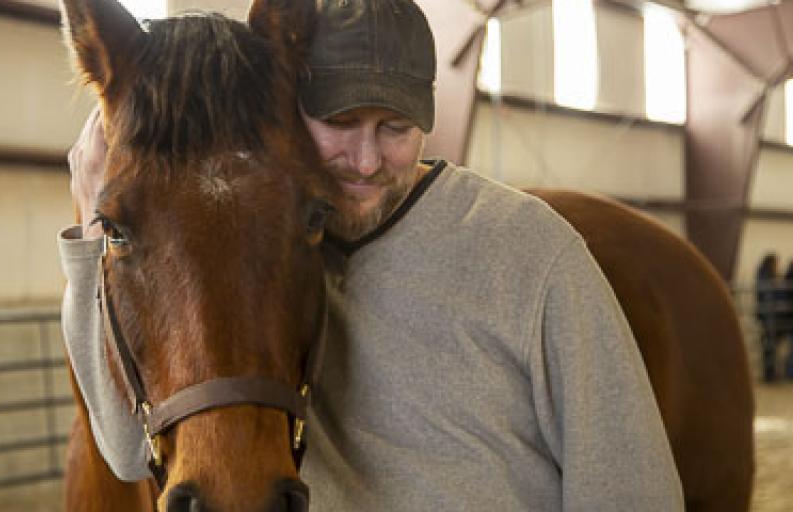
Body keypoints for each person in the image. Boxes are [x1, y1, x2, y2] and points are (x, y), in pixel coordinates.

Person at [59, 0, 684, 509]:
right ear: (296, 117)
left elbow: (630, 486)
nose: (365, 160)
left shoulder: (533, 252)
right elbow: (123, 447)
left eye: (395, 129)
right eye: (342, 123)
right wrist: (92, 231)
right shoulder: (278, 257)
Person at [755, 252, 784, 382]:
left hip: (767, 313)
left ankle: (771, 371)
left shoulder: (762, 274)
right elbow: (769, 293)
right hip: (769, 314)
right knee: (770, 344)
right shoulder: (767, 276)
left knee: (770, 344)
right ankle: (770, 372)